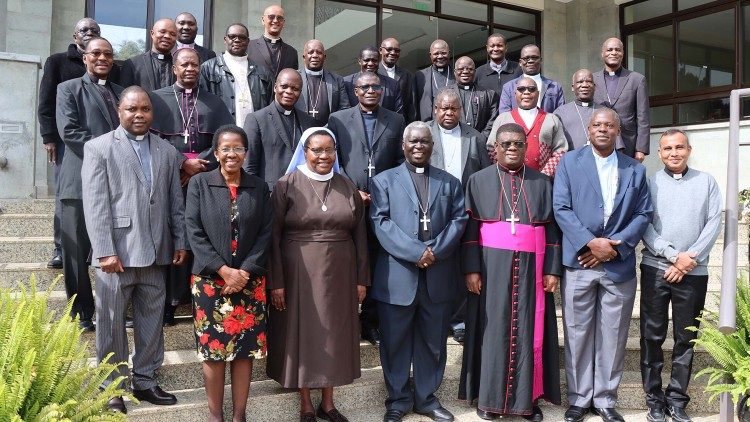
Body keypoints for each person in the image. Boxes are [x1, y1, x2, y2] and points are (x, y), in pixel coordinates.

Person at [81, 85, 187, 414]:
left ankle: (145, 380)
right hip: (117, 254)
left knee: (151, 320)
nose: (139, 114)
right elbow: (95, 204)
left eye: (145, 109)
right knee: (111, 323)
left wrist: (179, 240)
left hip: (156, 251)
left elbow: (174, 201)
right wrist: (104, 251)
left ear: (152, 113)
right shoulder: (99, 148)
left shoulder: (167, 151)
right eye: (132, 109)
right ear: (119, 112)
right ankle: (111, 387)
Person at [553, 108, 653, 422]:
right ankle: (580, 399)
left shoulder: (634, 169)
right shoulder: (570, 162)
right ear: (589, 129)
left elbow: (643, 214)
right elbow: (561, 208)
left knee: (613, 334)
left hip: (618, 265)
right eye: (597, 124)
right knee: (577, 332)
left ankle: (606, 399)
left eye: (609, 125)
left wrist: (613, 247)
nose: (602, 129)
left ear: (617, 130)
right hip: (580, 262)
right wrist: (590, 243)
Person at [458, 123, 562, 422]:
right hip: (491, 267)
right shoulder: (478, 181)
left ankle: (526, 401)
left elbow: (552, 229)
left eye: (518, 144)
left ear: (526, 147)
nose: (512, 149)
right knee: (493, 331)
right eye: (506, 144)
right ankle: (490, 399)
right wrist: (471, 269)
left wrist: (553, 269)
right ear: (496, 149)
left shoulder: (542, 182)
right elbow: (469, 231)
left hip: (533, 268)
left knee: (529, 331)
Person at [267, 127, 369, 422]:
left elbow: (360, 235)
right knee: (303, 334)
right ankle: (305, 405)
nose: (324, 156)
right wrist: (276, 282)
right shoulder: (287, 184)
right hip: (297, 271)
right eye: (317, 150)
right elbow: (272, 237)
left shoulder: (347, 185)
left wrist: (362, 278)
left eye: (329, 150)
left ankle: (328, 403)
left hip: (340, 272)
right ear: (305, 151)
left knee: (334, 336)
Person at [370, 121, 468, 422]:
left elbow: (459, 220)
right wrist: (417, 253)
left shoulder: (449, 182)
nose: (418, 146)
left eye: (424, 142)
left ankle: (427, 398)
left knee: (432, 340)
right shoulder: (384, 181)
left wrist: (434, 252)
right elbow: (381, 223)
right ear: (403, 145)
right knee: (395, 341)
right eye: (413, 141)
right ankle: (398, 400)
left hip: (437, 275)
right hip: (398, 277)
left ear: (432, 146)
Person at [185, 124, 273, 422]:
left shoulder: (259, 187)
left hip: (249, 282)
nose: (232, 154)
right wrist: (224, 271)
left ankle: (239, 415)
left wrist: (244, 271)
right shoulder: (200, 184)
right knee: (213, 349)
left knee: (245, 350)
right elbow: (194, 232)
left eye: (237, 148)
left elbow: (266, 233)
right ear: (217, 152)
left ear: (246, 152)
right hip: (211, 282)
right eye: (226, 148)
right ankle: (215, 415)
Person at [639, 129, 722, 422]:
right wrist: (674, 256)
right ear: (659, 153)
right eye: (667, 149)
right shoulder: (650, 184)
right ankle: (654, 401)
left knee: (686, 338)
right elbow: (644, 225)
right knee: (652, 336)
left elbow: (714, 223)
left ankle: (677, 400)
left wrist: (688, 260)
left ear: (689, 149)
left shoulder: (707, 182)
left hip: (693, 272)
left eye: (679, 147)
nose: (674, 153)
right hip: (656, 269)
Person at [150, 47, 233, 325]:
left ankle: (199, 298)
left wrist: (198, 165)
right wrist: (180, 163)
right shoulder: (157, 99)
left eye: (195, 65)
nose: (190, 69)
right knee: (173, 237)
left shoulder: (215, 102)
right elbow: (150, 136)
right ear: (174, 68)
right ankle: (169, 303)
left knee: (201, 236)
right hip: (169, 178)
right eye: (184, 64)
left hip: (205, 178)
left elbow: (224, 137)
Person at [328, 70, 406, 346]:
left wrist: (385, 191)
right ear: (355, 91)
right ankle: (346, 318)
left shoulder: (396, 120)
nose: (371, 90)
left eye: (376, 86)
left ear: (382, 90)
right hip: (349, 200)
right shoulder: (337, 119)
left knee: (375, 260)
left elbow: (399, 161)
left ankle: (370, 321)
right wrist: (353, 190)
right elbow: (333, 162)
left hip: (384, 203)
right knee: (348, 258)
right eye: (365, 87)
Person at [56, 37, 123, 331]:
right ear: (85, 57)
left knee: (112, 248)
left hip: (116, 186)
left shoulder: (121, 94)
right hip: (78, 184)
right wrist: (112, 155)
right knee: (75, 252)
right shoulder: (68, 89)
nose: (102, 58)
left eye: (108, 54)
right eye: (96, 53)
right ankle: (82, 312)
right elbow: (70, 132)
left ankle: (114, 307)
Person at [426, 88, 491, 343]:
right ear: (435, 110)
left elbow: (485, 175)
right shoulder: (424, 133)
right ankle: (438, 318)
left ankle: (460, 320)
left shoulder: (474, 137)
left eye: (453, 108)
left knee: (463, 266)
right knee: (438, 267)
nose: (449, 112)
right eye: (444, 108)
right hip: (431, 211)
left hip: (465, 212)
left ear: (460, 110)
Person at [38, 17, 102, 270]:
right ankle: (61, 249)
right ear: (75, 36)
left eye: (93, 30)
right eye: (83, 30)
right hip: (67, 140)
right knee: (67, 196)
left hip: (98, 138)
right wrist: (48, 137)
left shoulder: (106, 65)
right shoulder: (57, 61)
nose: (88, 32)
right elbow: (45, 102)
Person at [243, 68, 316, 190]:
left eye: (295, 89)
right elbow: (249, 166)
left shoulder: (308, 122)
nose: (289, 91)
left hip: (304, 193)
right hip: (270, 194)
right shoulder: (256, 119)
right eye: (284, 86)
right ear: (275, 87)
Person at [487, 78, 568, 178]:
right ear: (515, 94)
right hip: (507, 181)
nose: (526, 93)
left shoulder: (551, 119)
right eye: (521, 89)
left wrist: (544, 176)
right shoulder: (502, 119)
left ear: (538, 94)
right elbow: (491, 149)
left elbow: (560, 151)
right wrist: (506, 172)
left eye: (531, 89)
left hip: (542, 182)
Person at [200, 23, 273, 127]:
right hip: (222, 132)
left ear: (248, 42)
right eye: (232, 36)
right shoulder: (208, 68)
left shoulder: (262, 72)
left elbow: (269, 108)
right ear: (225, 39)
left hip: (254, 132)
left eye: (242, 37)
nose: (237, 40)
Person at [593, 37, 650, 161]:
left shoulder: (637, 79)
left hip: (628, 142)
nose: (613, 52)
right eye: (609, 50)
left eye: (617, 50)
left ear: (623, 54)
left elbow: (643, 116)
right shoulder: (592, 80)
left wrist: (641, 149)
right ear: (602, 53)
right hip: (599, 141)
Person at [295, 39, 350, 125]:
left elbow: (345, 109)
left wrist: (328, 128)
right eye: (311, 52)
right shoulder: (294, 78)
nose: (315, 55)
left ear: (324, 57)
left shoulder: (337, 80)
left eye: (319, 52)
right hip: (299, 131)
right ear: (304, 57)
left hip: (328, 132)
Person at [499, 44, 564, 114]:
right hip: (516, 125)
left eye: (534, 58)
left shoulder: (555, 87)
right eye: (526, 58)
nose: (530, 61)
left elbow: (560, 115)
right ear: (520, 62)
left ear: (541, 61)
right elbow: (504, 116)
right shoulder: (509, 87)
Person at [120, 19, 178, 91]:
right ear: (152, 33)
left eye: (172, 34)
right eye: (162, 32)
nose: (167, 36)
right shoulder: (132, 64)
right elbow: (123, 96)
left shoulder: (179, 65)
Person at [344, 46, 403, 116]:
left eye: (374, 60)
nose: (370, 64)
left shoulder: (392, 84)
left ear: (379, 61)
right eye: (367, 60)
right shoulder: (346, 83)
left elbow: (398, 113)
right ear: (360, 61)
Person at [554, 69, 602, 150]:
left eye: (589, 81)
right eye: (580, 82)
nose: (585, 85)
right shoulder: (560, 113)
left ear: (594, 87)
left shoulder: (606, 112)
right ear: (573, 87)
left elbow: (617, 145)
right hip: (570, 161)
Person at [451, 56, 499, 137]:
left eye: (469, 69)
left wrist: (481, 138)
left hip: (481, 142)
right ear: (455, 72)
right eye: (461, 69)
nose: (465, 71)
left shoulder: (489, 94)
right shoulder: (444, 94)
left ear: (475, 72)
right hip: (453, 139)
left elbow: (493, 120)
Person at [247, 4, 298, 78]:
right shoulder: (249, 47)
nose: (275, 21)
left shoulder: (292, 52)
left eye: (279, 18)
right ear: (263, 20)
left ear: (283, 22)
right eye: (271, 17)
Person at [415, 39, 455, 121]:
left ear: (449, 53)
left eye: (443, 53)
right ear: (430, 55)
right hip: (427, 124)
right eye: (436, 54)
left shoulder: (456, 75)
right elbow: (413, 103)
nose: (440, 56)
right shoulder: (420, 76)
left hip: (451, 122)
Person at [379, 37, 417, 123]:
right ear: (381, 50)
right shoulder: (374, 73)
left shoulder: (407, 75)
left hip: (401, 124)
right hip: (380, 123)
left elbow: (411, 104)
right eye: (389, 49)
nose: (393, 53)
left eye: (397, 50)